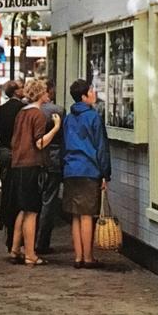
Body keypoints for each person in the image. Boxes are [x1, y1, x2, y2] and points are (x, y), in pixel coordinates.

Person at [6, 79, 62, 266]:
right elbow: (39, 142)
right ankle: (30, 254)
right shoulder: (37, 115)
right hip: (32, 165)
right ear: (40, 94)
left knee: (22, 208)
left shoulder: (21, 113)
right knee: (32, 211)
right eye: (45, 91)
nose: (48, 94)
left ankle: (15, 249)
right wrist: (55, 128)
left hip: (18, 164)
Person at [62, 79, 112, 269]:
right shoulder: (93, 117)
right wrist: (105, 174)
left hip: (70, 169)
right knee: (87, 215)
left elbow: (65, 144)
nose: (94, 94)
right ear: (84, 96)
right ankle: (89, 258)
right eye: (91, 91)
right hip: (89, 169)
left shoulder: (68, 118)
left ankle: (78, 256)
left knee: (75, 215)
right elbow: (101, 147)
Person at [0, 79, 26, 249]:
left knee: (7, 193)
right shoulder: (23, 110)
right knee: (21, 196)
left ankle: (7, 229)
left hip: (5, 153)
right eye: (21, 87)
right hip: (21, 154)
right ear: (16, 91)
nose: (24, 89)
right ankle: (18, 237)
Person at [35, 79, 66, 256]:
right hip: (53, 160)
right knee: (49, 201)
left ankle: (28, 239)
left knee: (34, 201)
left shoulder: (30, 111)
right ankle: (42, 242)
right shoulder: (58, 111)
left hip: (35, 160)